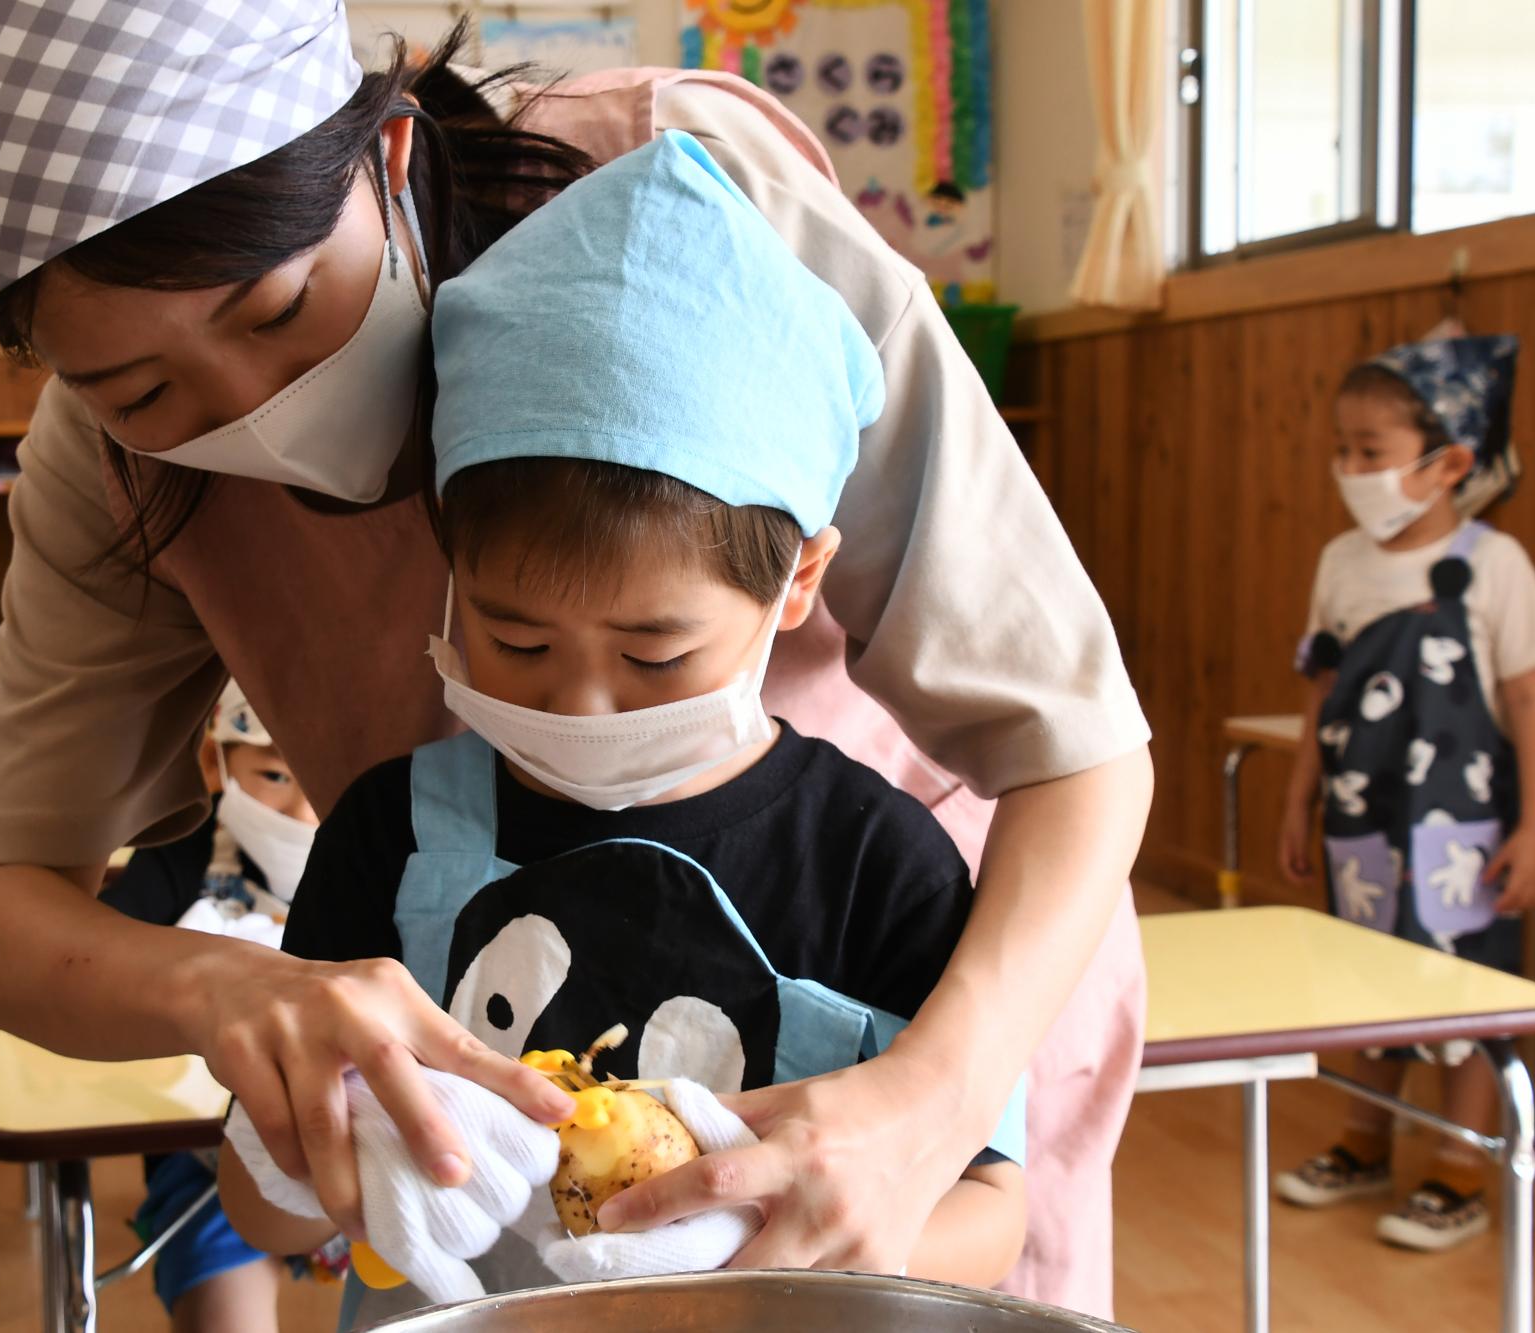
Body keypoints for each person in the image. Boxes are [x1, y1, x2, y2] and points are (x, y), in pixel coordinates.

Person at [0, 2, 1152, 1311]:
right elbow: (6, 918)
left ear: (386, 155)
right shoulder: (117, 479)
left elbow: (1073, 740)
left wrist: (931, 1097)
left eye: (279, 306)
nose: (253, 407)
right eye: (141, 392)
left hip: (930, 984)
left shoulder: (675, 207)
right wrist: (230, 991)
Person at [220, 133, 1026, 1324]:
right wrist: (330, 1151)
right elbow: (261, 1215)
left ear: (796, 583)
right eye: (516, 641)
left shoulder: (872, 861)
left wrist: (768, 1262)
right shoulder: (390, 834)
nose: (579, 704)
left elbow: (993, 1214)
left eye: (654, 655)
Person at [1274, 334, 1535, 1251]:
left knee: (1464, 989)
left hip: (1466, 832)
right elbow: (1322, 690)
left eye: (1372, 450)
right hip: (1362, 822)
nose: (1351, 469)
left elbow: (1532, 697)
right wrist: (1297, 799)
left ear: (1449, 464)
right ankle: (1365, 1140)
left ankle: (1457, 1166)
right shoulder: (1340, 562)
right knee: (1368, 981)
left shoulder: (1495, 563)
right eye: (1343, 448)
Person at [100, 680, 330, 1332]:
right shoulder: (183, 853)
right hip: (205, 1162)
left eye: (324, 783)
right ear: (215, 762)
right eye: (275, 775)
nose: (303, 812)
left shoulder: (388, 855)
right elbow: (109, 960)